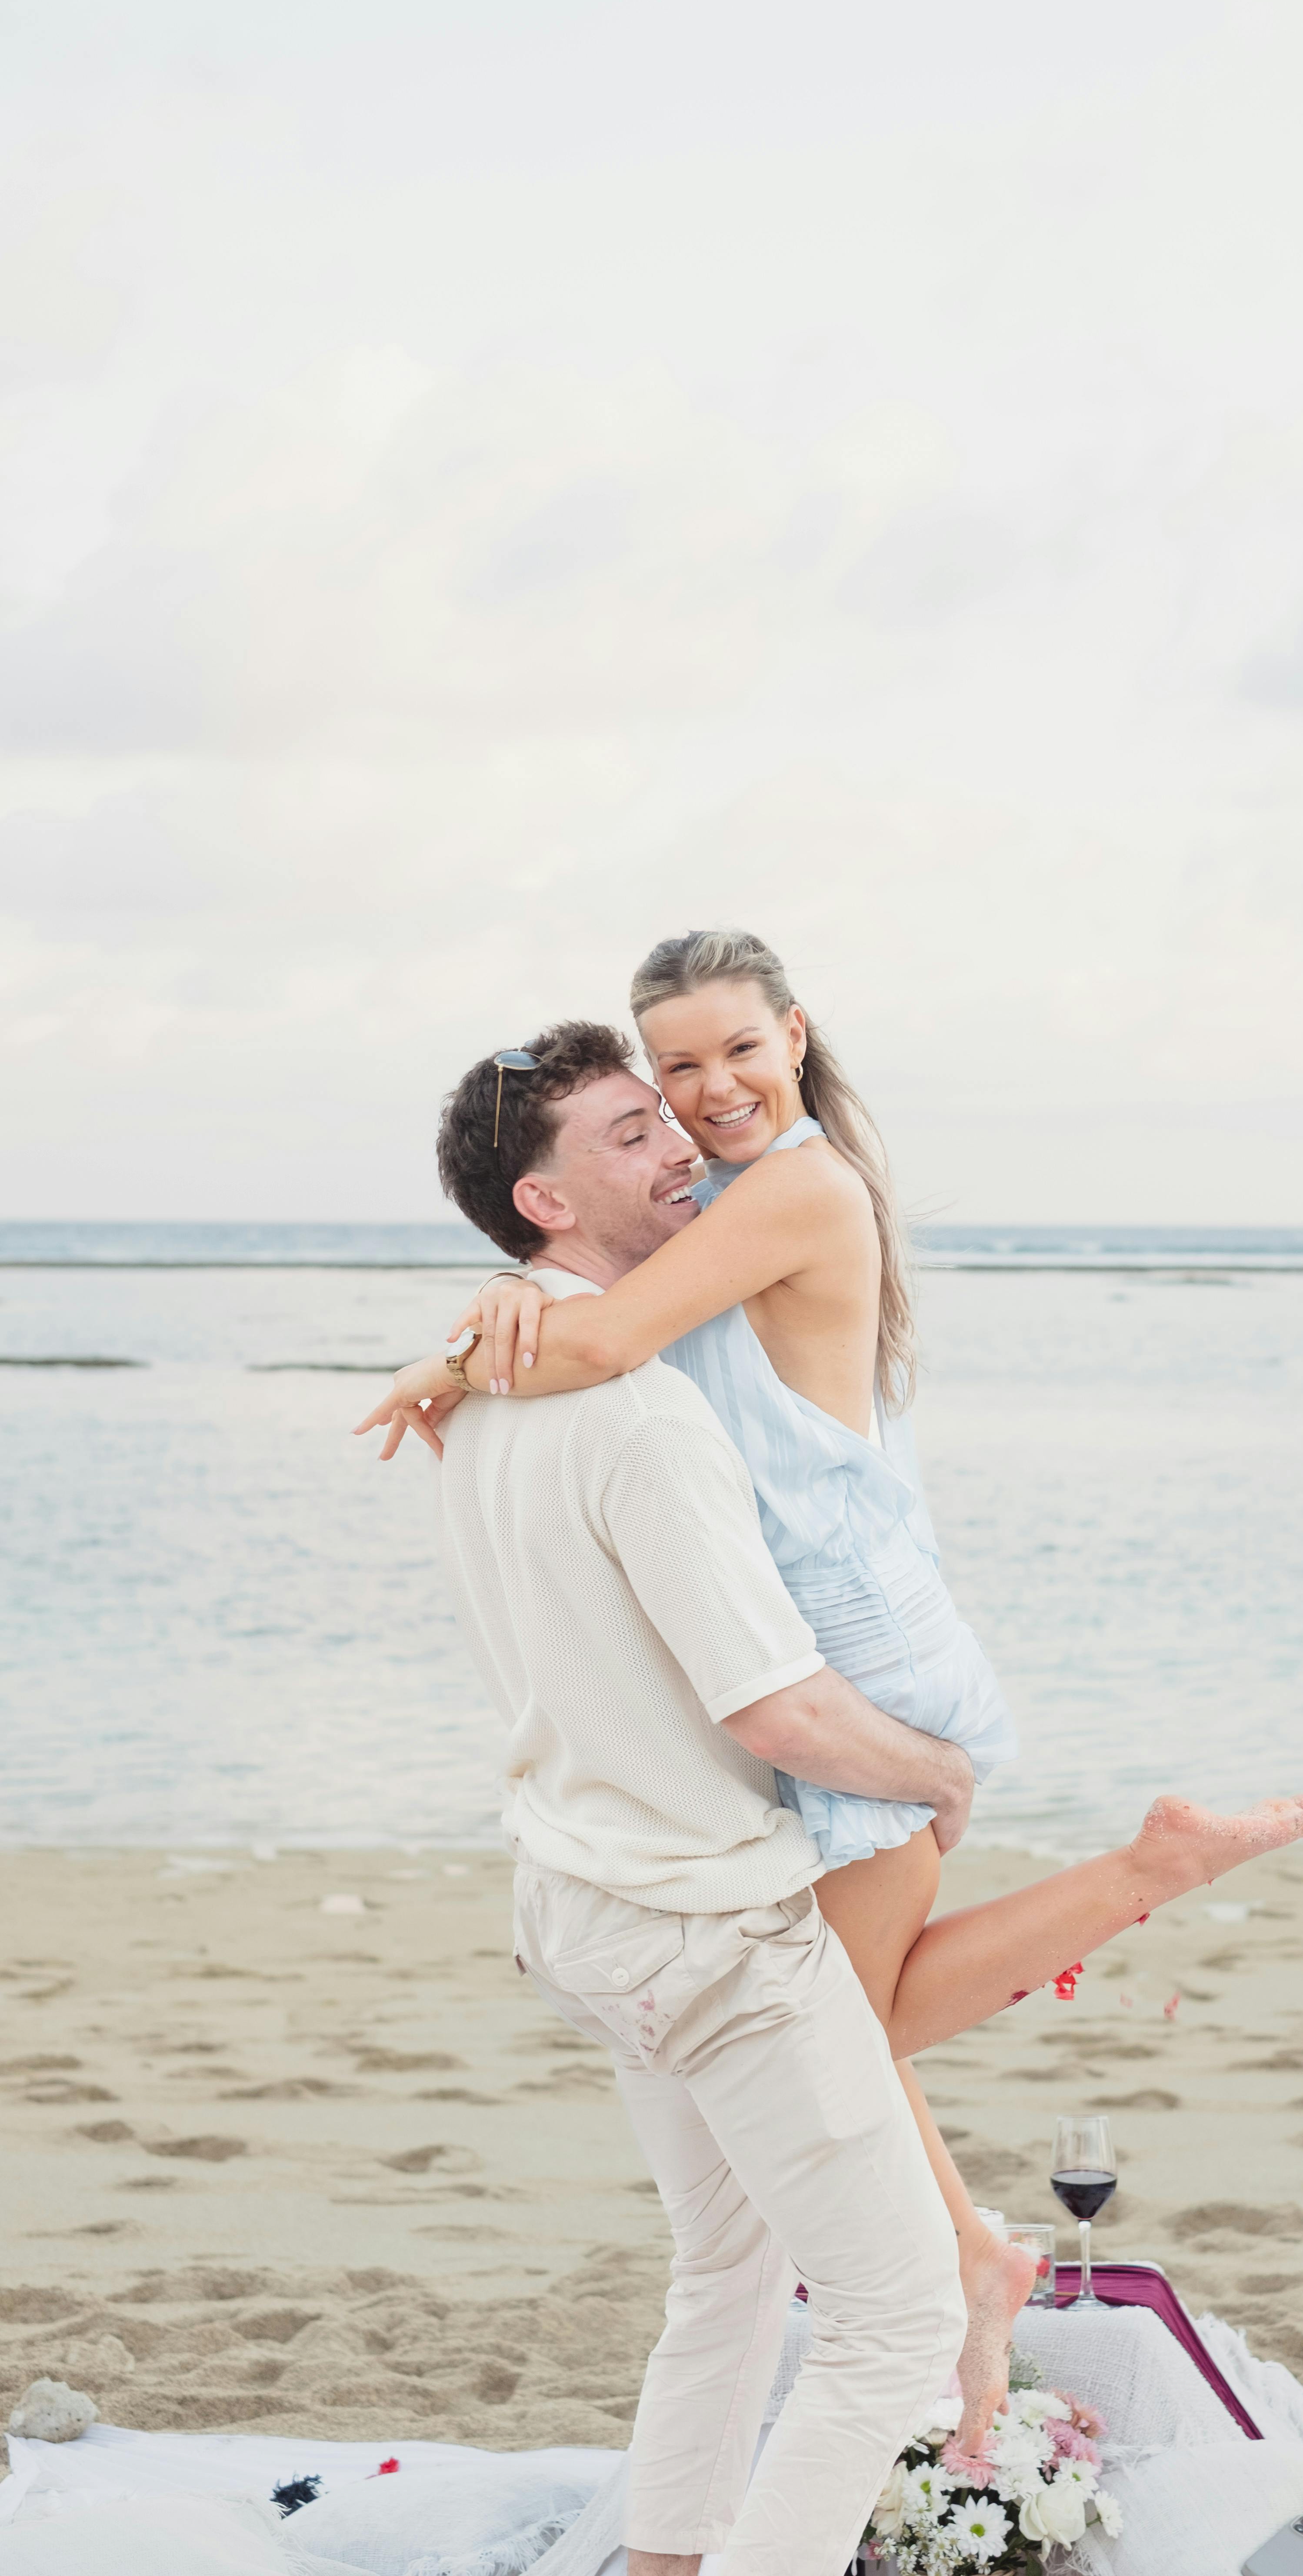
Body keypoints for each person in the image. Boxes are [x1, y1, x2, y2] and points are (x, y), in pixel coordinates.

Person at [357, 939, 1303, 2448]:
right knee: (837, 2021)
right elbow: (602, 1301)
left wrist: (459, 1355)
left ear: (796, 1037)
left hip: (858, 1649)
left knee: (842, 2028)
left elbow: (601, 1334)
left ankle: (1148, 1879)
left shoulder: (804, 1188)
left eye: (735, 1053)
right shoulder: (729, 1198)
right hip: (819, 1629)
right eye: (671, 1073)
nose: (702, 1097)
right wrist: (486, 1321)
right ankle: (978, 2255)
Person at [397, 1019, 972, 2576]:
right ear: (548, 1208)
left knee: (726, 2272)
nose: (681, 1147)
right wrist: (934, 1774)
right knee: (896, 2321)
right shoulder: (642, 1416)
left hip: (577, 1914)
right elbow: (774, 1701)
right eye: (628, 1135)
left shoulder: (479, 1402)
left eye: (670, 1119)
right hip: (705, 1935)